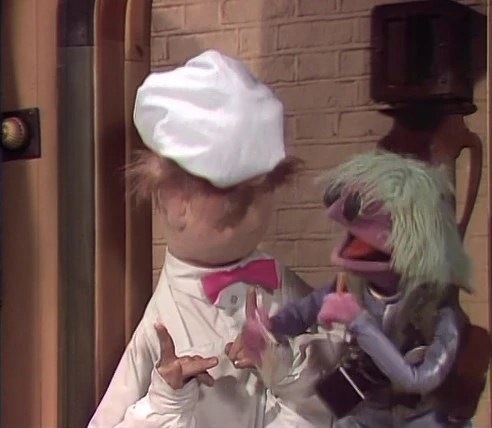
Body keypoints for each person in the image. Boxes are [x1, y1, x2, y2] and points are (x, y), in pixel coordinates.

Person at [88, 50, 343, 428]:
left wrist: (287, 370)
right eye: (232, 194)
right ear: (169, 198)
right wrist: (167, 398)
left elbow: (338, 373)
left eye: (263, 188)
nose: (253, 209)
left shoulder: (278, 281)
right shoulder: (162, 323)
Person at [242, 151, 490, 428]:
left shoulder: (439, 311)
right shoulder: (351, 286)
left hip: (422, 417)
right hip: (367, 411)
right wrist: (266, 331)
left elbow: (416, 380)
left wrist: (359, 322)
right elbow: (300, 314)